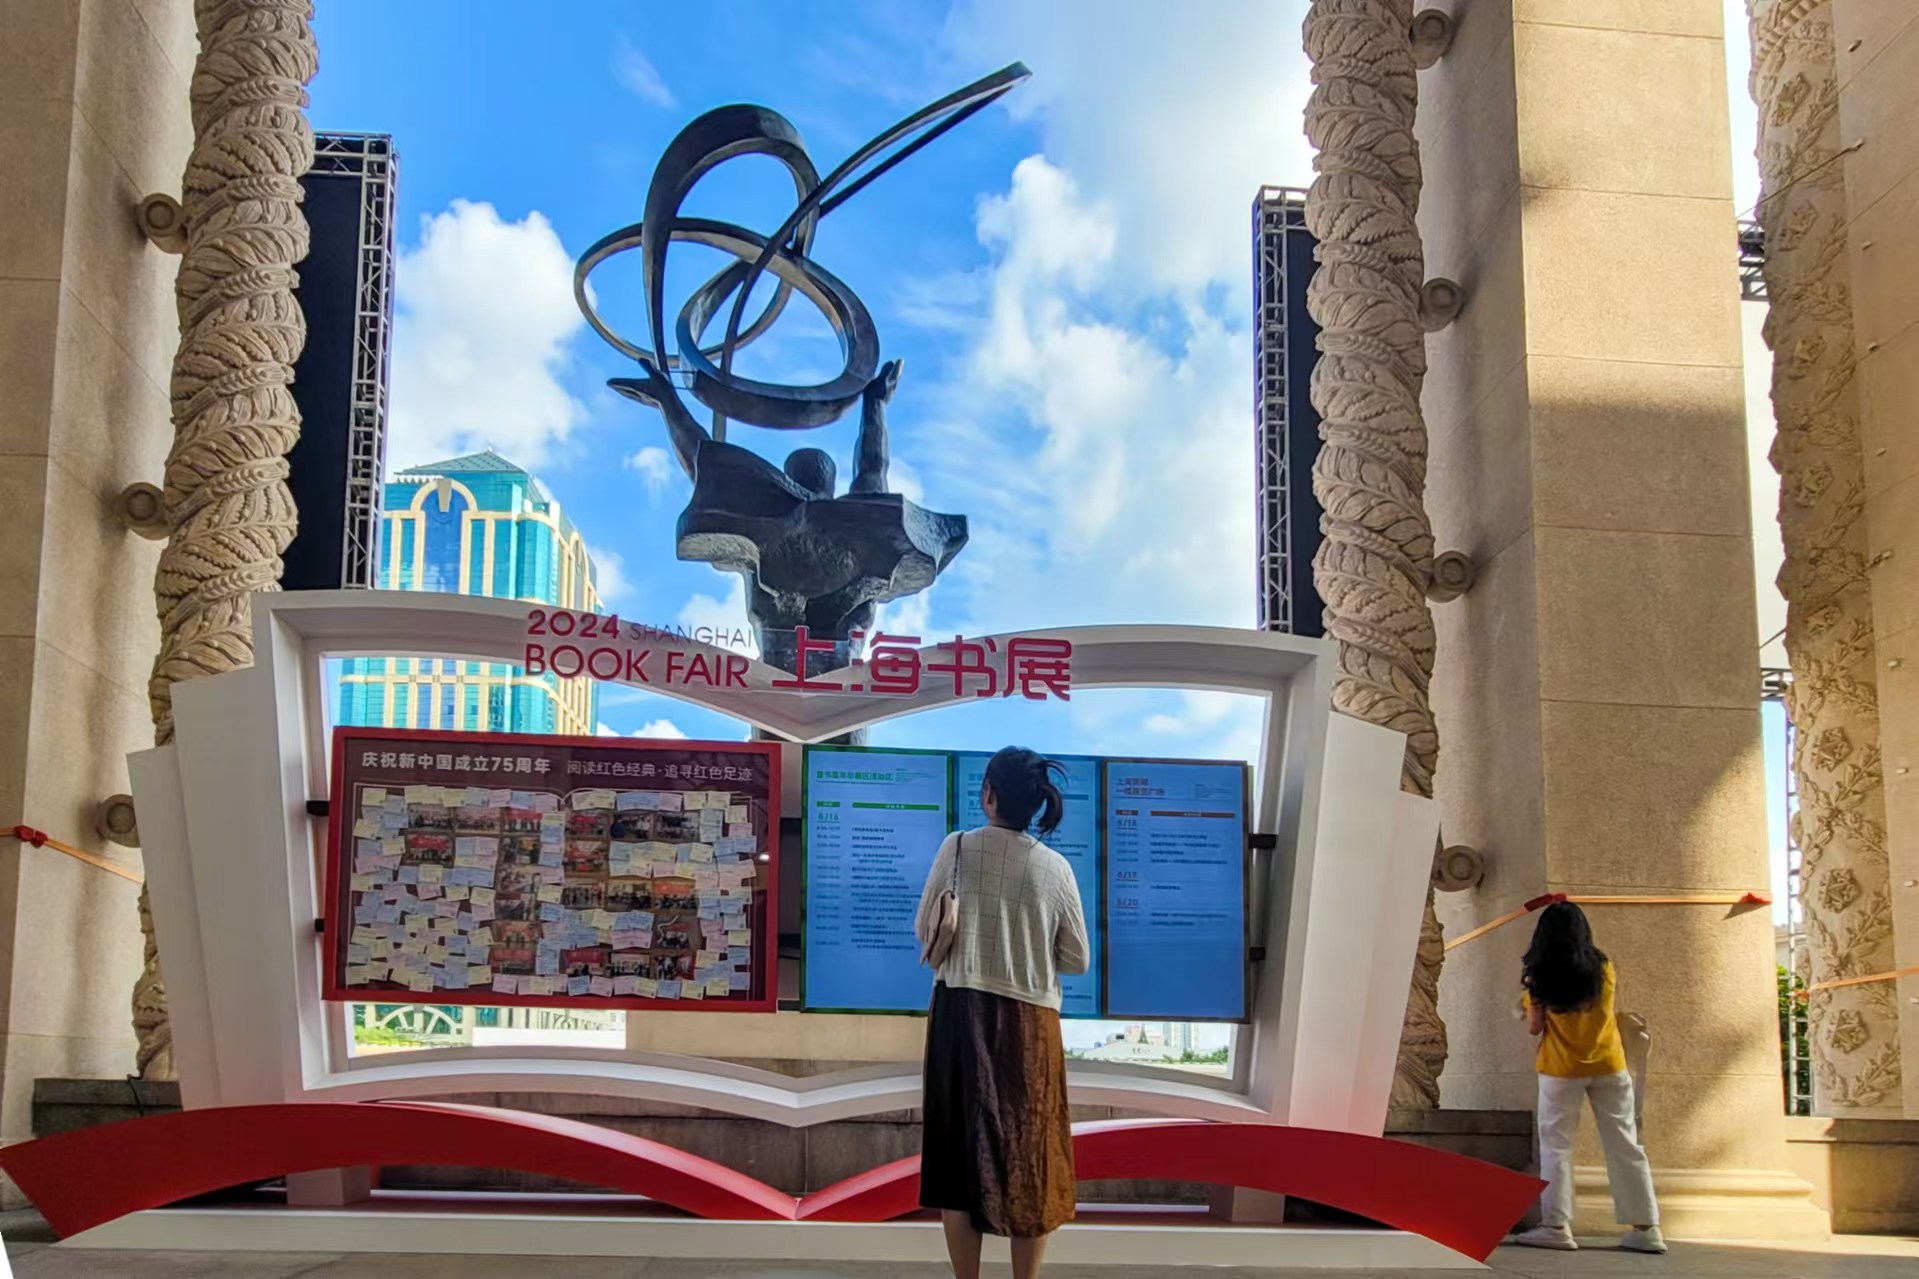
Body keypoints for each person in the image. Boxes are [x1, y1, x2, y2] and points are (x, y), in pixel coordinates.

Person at [914, 747, 1091, 1279]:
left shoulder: (958, 847)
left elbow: (925, 928)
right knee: (1030, 1156)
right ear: (1036, 804)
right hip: (1031, 1026)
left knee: (956, 1161)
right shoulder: (1056, 867)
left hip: (960, 1014)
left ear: (988, 793)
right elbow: (1077, 959)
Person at [1512, 901, 1665, 1255]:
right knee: (1625, 1144)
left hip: (1560, 1070)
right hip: (1609, 1065)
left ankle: (1556, 1227)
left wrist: (1527, 1005)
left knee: (1557, 1146)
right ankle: (1647, 1228)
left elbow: (1535, 1028)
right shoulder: (1604, 969)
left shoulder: (1539, 979)